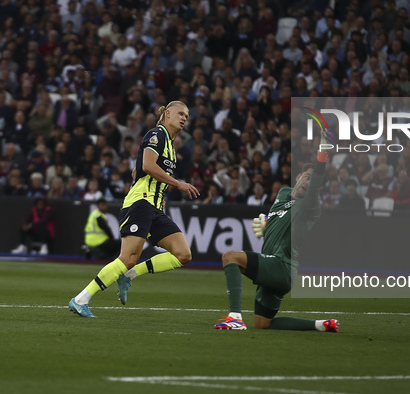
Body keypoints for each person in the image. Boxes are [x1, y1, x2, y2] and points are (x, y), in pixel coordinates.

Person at [68, 101, 199, 318]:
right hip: (140, 203)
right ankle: (81, 299)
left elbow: (136, 171)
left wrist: (160, 191)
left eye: (187, 115)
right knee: (128, 257)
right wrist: (177, 184)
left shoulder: (170, 146)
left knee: (183, 254)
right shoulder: (157, 134)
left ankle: (129, 275)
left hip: (154, 207)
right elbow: (147, 165)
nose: (184, 118)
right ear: (167, 114)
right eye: (180, 113)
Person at [214, 129, 339, 332]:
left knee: (230, 257)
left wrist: (323, 153)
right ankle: (321, 325)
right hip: (276, 269)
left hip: (282, 266)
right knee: (263, 324)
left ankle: (234, 317)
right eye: (306, 177)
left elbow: (316, 183)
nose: (308, 182)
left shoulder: (310, 205)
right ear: (297, 177)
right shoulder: (283, 194)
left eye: (312, 179)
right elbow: (278, 220)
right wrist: (266, 226)